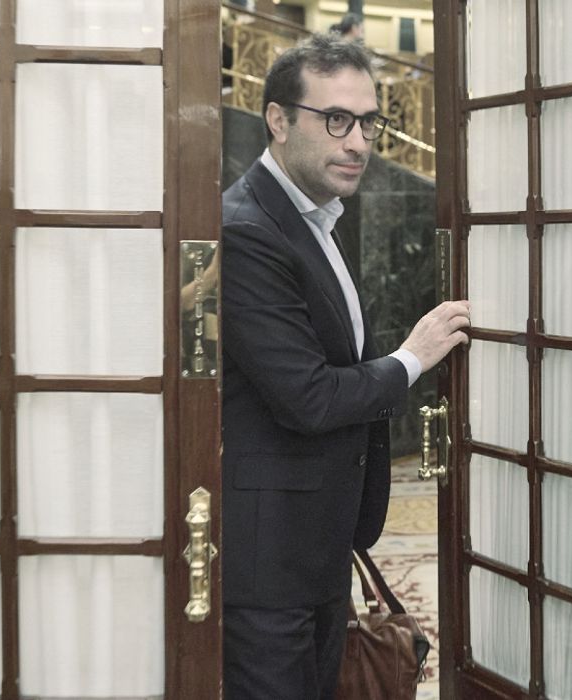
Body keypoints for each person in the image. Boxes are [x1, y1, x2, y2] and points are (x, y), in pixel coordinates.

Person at [220, 33, 470, 700]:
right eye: (336, 120)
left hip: (320, 546)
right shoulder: (247, 229)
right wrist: (412, 358)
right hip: (269, 563)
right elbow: (306, 396)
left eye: (368, 122)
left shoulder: (318, 216)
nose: (358, 142)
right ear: (278, 120)